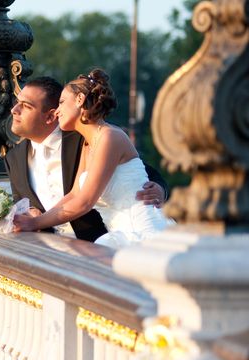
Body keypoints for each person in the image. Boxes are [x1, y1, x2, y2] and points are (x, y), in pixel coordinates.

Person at [9, 71, 171, 247]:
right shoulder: (88, 144)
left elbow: (85, 201)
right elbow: (75, 194)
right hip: (110, 234)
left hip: (139, 232)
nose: (58, 111)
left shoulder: (109, 137)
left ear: (79, 100)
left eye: (62, 102)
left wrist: (34, 223)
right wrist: (34, 219)